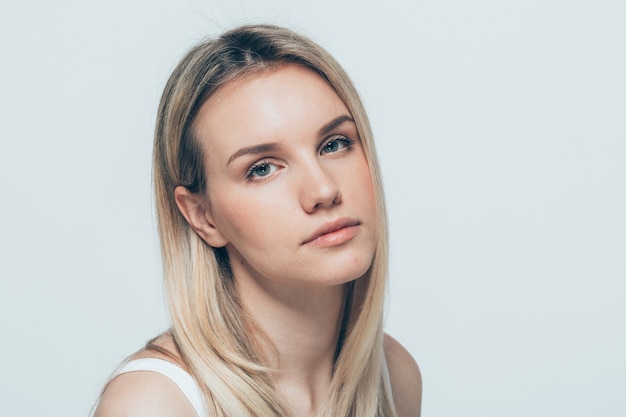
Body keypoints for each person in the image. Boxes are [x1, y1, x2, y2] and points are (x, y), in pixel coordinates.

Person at [94, 24, 421, 417]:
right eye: (263, 168)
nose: (322, 190)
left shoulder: (394, 375)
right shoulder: (155, 405)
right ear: (203, 216)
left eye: (334, 144)